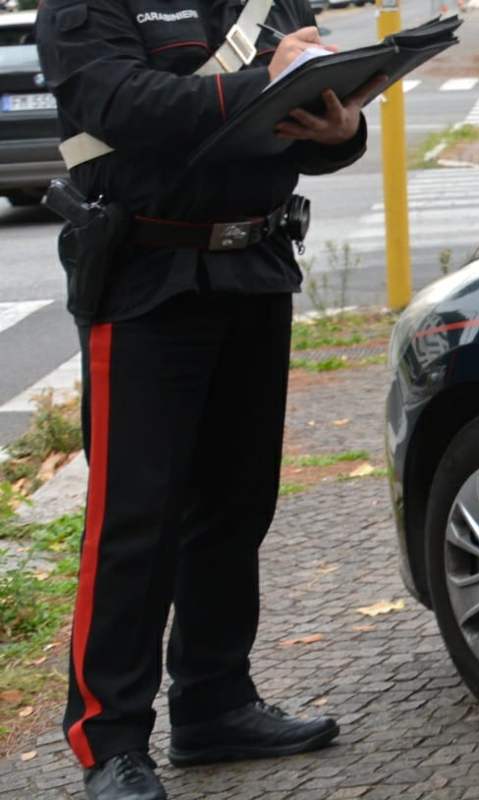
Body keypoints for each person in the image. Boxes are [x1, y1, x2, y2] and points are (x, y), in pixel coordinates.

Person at [35, 2, 383, 798]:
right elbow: (118, 103)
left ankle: (213, 701)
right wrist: (260, 82)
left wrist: (341, 128)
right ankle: (110, 738)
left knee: (237, 504)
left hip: (254, 264)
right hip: (146, 276)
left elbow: (303, 111)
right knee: (135, 521)